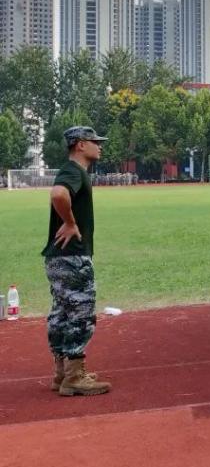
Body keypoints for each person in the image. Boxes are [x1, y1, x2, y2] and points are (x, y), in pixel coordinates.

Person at [43, 126, 112, 397]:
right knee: (81, 313)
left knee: (61, 313)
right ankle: (74, 376)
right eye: (95, 141)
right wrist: (71, 223)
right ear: (80, 145)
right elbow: (58, 194)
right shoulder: (74, 171)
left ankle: (62, 372)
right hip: (73, 257)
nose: (100, 146)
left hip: (58, 257)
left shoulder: (72, 170)